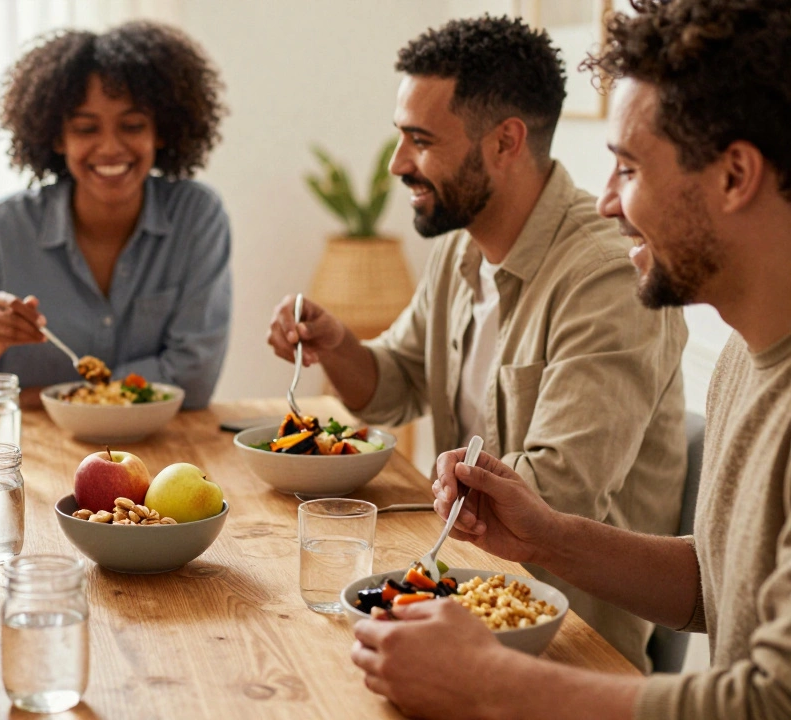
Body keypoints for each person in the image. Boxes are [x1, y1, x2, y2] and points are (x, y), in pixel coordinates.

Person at [351, 1, 791, 717]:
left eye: (626, 169)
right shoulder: (748, 352)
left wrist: (493, 683)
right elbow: (714, 583)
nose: (609, 204)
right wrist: (551, 537)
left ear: (735, 175)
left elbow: (769, 703)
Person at [266, 15, 687, 669]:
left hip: (566, 645)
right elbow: (392, 385)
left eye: (420, 141)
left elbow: (559, 498)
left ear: (505, 142)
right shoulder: (462, 247)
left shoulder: (606, 275)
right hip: (458, 597)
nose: (400, 164)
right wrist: (338, 342)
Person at [0, 20, 232, 412]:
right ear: (57, 137)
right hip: (30, 454)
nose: (110, 148)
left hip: (160, 449)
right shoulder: (4, 229)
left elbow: (193, 379)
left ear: (162, 131)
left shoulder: (196, 217)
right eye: (86, 128)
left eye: (132, 125)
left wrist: (49, 398)